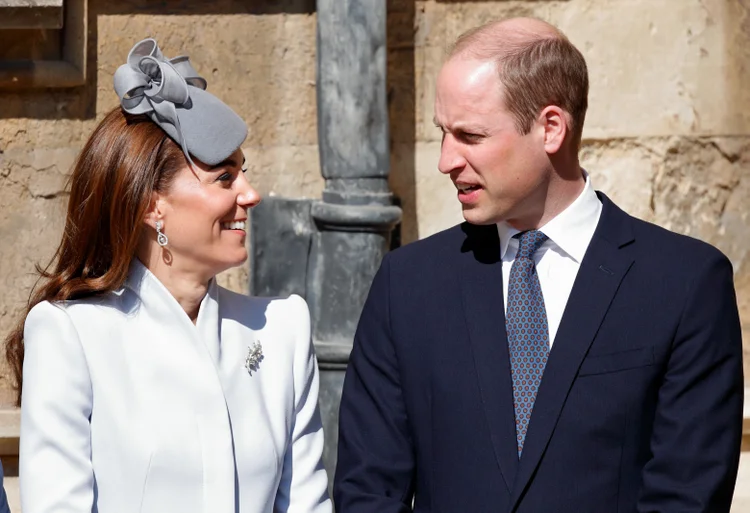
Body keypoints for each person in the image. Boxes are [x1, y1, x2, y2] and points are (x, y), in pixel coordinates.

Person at [334, 17, 743, 512]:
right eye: (443, 133)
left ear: (551, 128)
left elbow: (686, 497)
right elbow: (367, 491)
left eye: (470, 135)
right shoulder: (408, 284)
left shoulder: (683, 284)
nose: (446, 160)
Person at [7, 38, 331, 513]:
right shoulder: (71, 335)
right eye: (225, 177)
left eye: (244, 172)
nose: (251, 193)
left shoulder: (282, 330)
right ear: (151, 205)